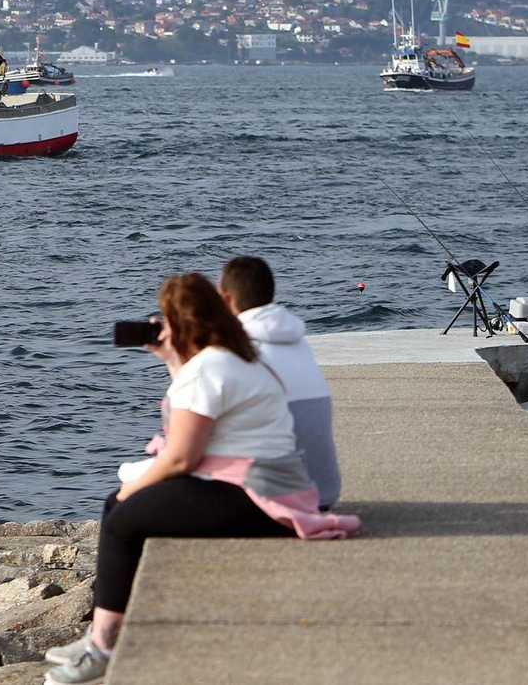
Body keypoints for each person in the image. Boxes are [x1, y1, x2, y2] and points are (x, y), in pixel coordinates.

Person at [46, 273, 358, 684]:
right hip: (272, 486)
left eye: (167, 320)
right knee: (118, 506)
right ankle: (101, 632)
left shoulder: (210, 367)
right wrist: (173, 361)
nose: (162, 328)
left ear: (182, 324)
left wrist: (131, 490)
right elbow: (194, 423)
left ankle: (103, 648)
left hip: (260, 498)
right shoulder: (232, 357)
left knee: (123, 518)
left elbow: (181, 458)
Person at [218, 255, 342, 509]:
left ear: (227, 299)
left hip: (277, 498)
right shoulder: (298, 344)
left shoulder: (235, 351)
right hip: (326, 493)